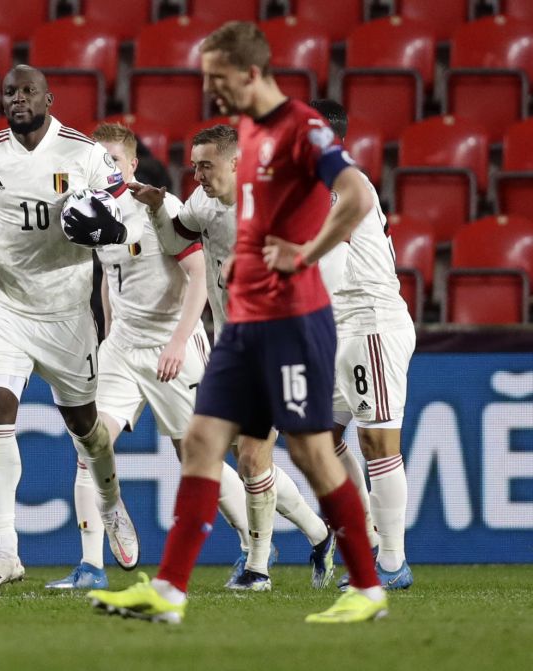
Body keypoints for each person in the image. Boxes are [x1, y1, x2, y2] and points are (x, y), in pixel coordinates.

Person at [88, 21, 385, 625]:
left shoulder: (302, 130)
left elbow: (353, 194)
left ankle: (367, 582)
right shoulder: (228, 159)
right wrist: (158, 206)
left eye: (217, 79)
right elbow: (188, 233)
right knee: (201, 441)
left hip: (295, 321)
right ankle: (171, 590)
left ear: (249, 74)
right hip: (242, 327)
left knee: (310, 453)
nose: (210, 90)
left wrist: (306, 252)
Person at [0, 65, 144, 592]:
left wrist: (110, 226)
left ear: (48, 97)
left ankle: (111, 504)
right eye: (10, 92)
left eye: (27, 91)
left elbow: (127, 217)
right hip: (2, 304)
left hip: (68, 312)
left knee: (88, 431)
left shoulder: (84, 154)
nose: (18, 98)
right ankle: (5, 551)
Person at [44, 122, 255, 591]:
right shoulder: (90, 211)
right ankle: (91, 565)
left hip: (171, 344)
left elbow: (199, 278)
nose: (106, 169)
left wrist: (180, 342)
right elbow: (107, 278)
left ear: (132, 164)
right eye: (98, 162)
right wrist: (106, 333)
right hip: (123, 345)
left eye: (113, 161)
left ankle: (252, 545)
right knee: (90, 444)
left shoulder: (163, 208)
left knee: (197, 457)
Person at [133, 125, 335, 593]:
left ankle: (258, 568)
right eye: (195, 165)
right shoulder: (203, 204)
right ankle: (320, 534)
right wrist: (160, 205)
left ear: (236, 164)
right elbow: (176, 238)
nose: (198, 174)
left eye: (207, 165)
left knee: (249, 456)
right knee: (230, 454)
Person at [309, 99, 416, 591]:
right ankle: (369, 534)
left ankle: (391, 562)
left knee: (377, 440)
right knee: (321, 437)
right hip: (340, 324)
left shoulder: (340, 182)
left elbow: (331, 262)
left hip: (368, 320)